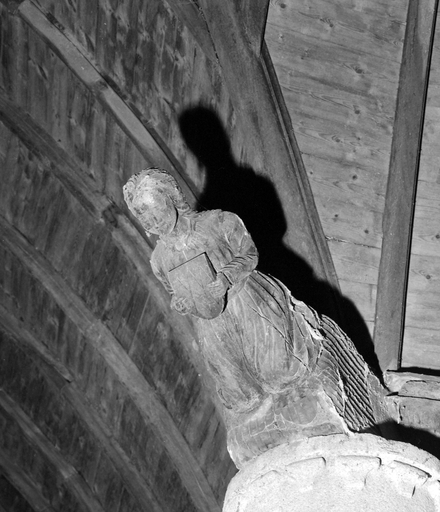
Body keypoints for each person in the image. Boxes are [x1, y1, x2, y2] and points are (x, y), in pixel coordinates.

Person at [124, 168, 383, 466]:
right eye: (144, 217)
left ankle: (305, 391)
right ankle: (265, 423)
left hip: (246, 299)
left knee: (280, 371)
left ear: (170, 198)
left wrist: (226, 277)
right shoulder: (159, 260)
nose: (152, 221)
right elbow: (175, 292)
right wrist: (182, 303)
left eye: (154, 210)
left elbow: (249, 254)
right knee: (240, 395)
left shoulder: (217, 222)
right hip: (211, 322)